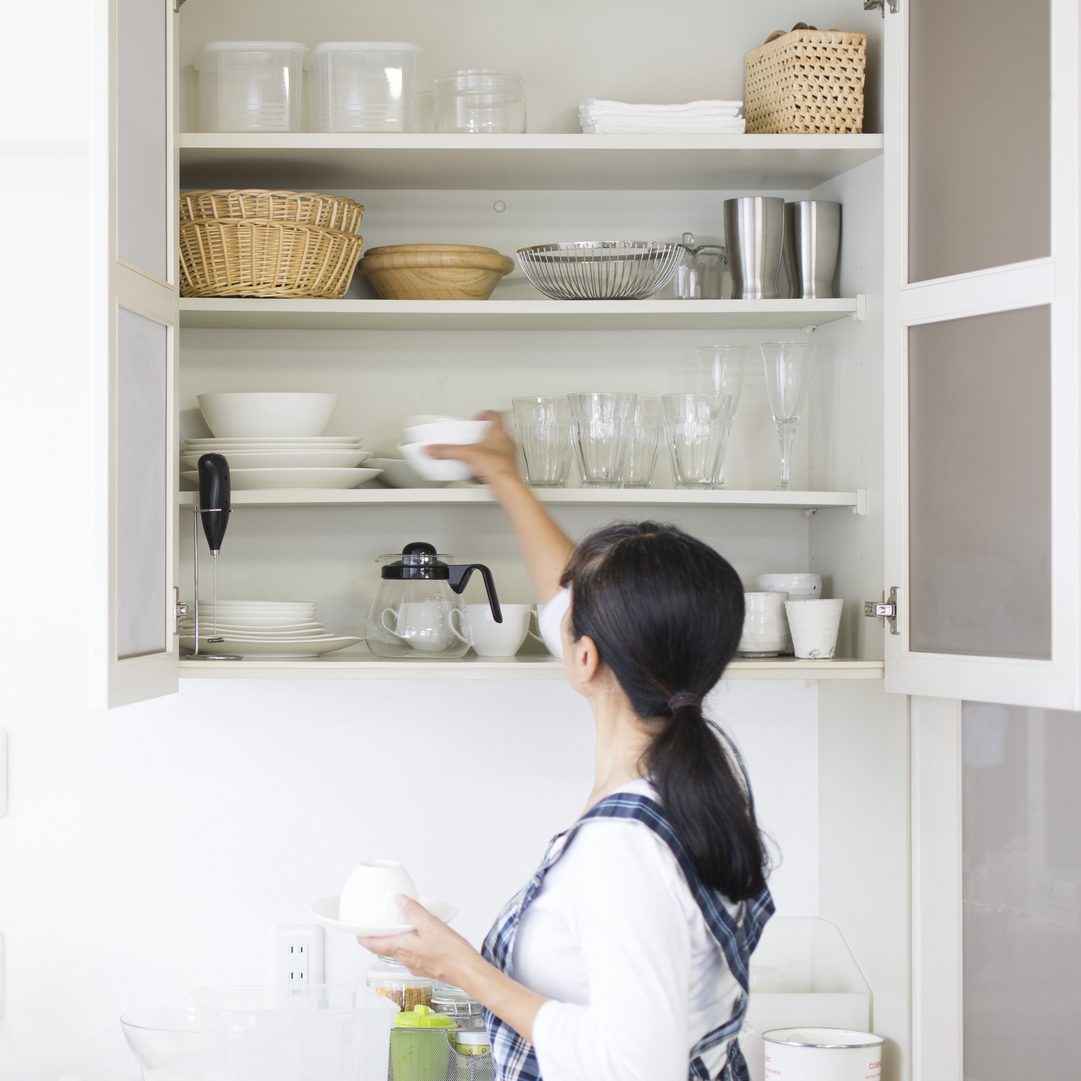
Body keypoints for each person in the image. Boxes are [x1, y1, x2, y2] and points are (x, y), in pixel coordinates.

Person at [358, 411, 774, 1081]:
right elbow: (575, 617)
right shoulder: (701, 785)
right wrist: (503, 475)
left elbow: (635, 1067)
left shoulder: (623, 847)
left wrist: (460, 965)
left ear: (585, 659)